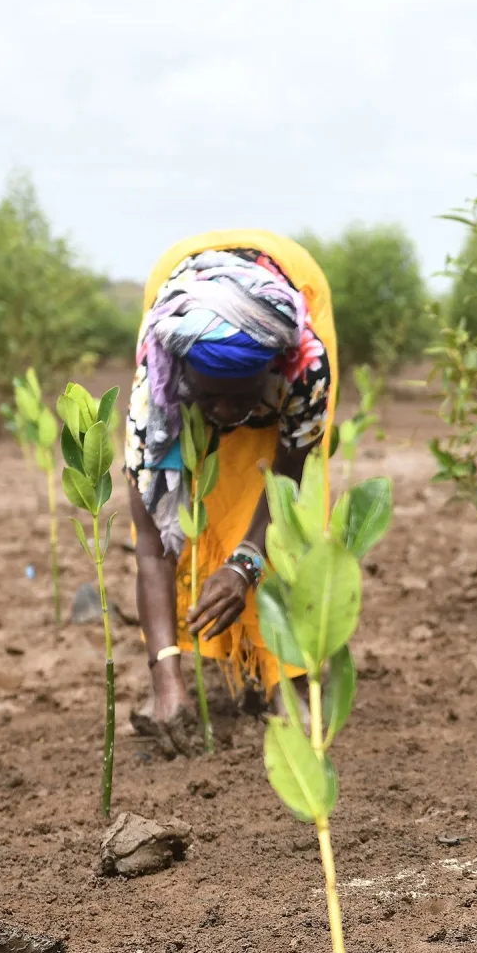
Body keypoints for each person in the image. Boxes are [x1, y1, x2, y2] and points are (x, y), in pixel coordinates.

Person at [124, 230, 338, 755]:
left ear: (271, 374)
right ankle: (179, 681)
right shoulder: (158, 390)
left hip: (295, 282)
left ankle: (285, 676)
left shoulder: (305, 368)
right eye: (210, 397)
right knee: (193, 504)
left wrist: (244, 563)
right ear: (183, 379)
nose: (224, 414)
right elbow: (152, 548)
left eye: (240, 398)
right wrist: (165, 682)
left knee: (279, 514)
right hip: (180, 296)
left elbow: (287, 483)